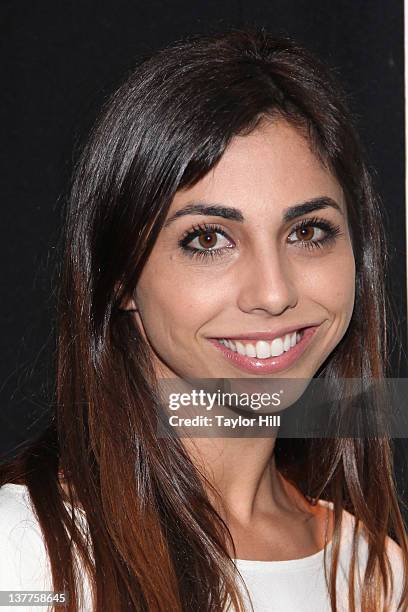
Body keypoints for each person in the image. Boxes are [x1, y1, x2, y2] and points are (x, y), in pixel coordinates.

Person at [0, 27, 407, 612]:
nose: (273, 293)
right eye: (208, 239)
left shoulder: (375, 574)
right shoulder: (31, 554)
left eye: (308, 232)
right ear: (120, 276)